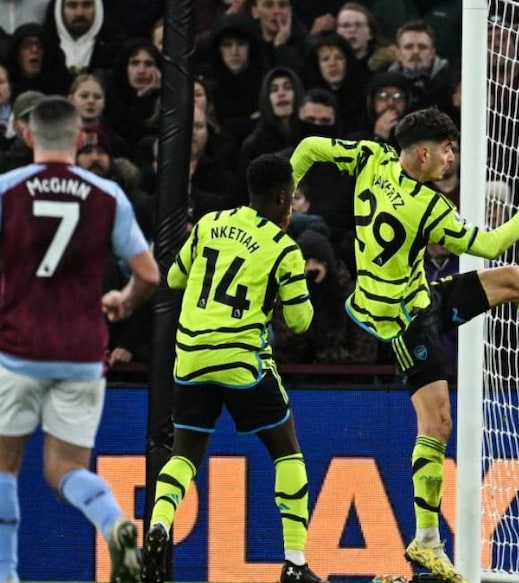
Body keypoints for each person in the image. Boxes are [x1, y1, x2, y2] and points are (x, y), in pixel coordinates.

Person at [288, 108, 519, 581]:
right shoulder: (427, 206)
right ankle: (426, 542)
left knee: (517, 279)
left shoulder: (372, 156)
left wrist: (274, 208)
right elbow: (492, 243)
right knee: (437, 421)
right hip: (398, 319)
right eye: (447, 149)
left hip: (423, 299)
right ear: (423, 151)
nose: (451, 158)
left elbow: (310, 148)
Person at [142, 154, 323, 583]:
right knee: (287, 450)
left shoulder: (208, 223)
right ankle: (295, 563)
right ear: (282, 198)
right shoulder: (284, 249)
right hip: (242, 361)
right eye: (292, 197)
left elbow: (173, 280)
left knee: (184, 454)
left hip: (189, 358)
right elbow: (300, 323)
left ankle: (158, 525)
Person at [0, 96, 159, 582]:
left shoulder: (6, 190)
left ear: (28, 136)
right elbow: (149, 274)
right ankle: (113, 523)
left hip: (17, 350)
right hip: (83, 355)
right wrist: (124, 302)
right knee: (65, 469)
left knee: (4, 468)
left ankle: (6, 574)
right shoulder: (106, 194)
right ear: (78, 138)